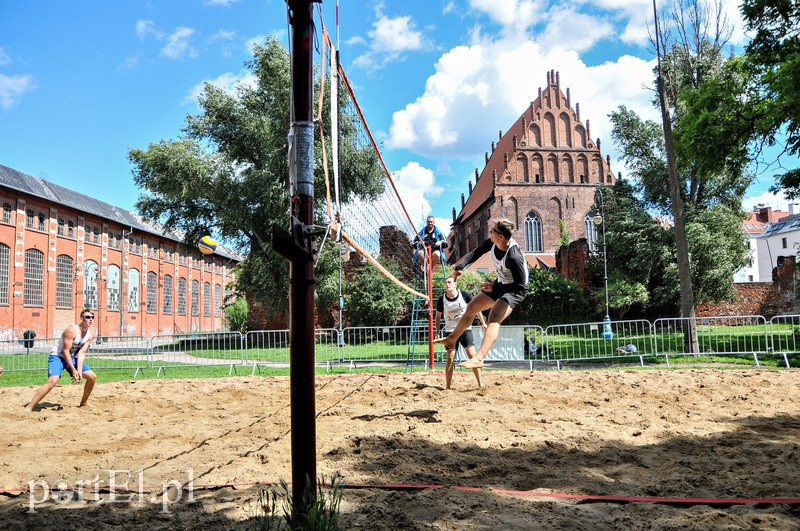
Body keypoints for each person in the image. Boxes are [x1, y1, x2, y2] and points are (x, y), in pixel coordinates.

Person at [434, 219, 528, 369]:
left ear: (501, 237)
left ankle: (479, 358)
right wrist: (461, 266)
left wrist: (495, 287)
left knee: (494, 317)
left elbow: (520, 285)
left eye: (493, 231)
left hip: (515, 290)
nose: (490, 232)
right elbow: (476, 252)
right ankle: (452, 339)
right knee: (471, 307)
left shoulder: (514, 257)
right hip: (501, 284)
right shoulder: (493, 243)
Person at [26, 309, 97, 411]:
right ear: (82, 319)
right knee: (52, 381)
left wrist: (79, 371)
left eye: (92, 317)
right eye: (88, 317)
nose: (90, 319)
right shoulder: (71, 330)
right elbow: (65, 351)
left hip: (72, 357)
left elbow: (81, 353)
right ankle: (30, 406)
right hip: (58, 356)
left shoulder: (89, 335)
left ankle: (84, 402)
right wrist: (73, 370)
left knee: (92, 377)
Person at [435, 276, 488, 389]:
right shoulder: (442, 299)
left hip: (465, 329)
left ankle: (480, 384)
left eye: (449, 282)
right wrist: (437, 331)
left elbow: (476, 308)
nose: (447, 284)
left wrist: (483, 322)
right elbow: (438, 316)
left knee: (472, 356)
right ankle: (448, 387)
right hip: (450, 331)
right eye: (446, 283)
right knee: (450, 358)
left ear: (455, 284)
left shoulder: (464, 295)